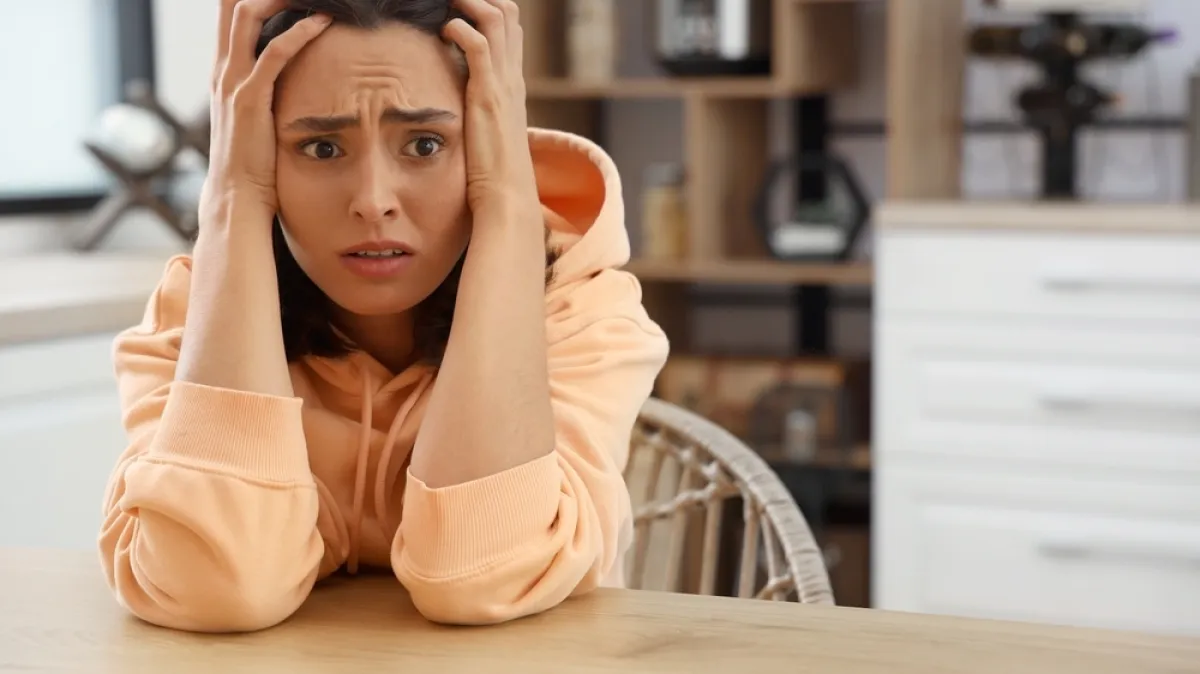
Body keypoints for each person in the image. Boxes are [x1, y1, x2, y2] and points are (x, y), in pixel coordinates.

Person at [98, 0, 668, 633]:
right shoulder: (201, 307)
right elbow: (214, 588)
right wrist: (233, 199)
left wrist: (509, 202)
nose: (373, 202)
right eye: (321, 147)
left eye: (425, 144)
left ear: (489, 145)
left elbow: (485, 578)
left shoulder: (579, 304)